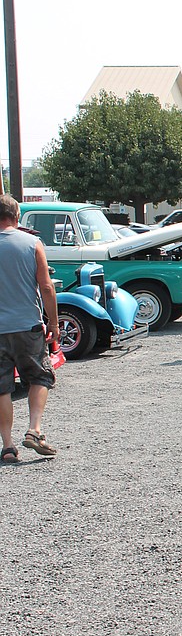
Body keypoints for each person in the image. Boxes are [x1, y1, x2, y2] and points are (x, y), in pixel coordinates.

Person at [0, 194, 59, 462]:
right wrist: (54, 322)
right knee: (39, 376)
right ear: (17, 215)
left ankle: (8, 446)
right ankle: (34, 430)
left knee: (2, 388)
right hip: (27, 325)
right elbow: (46, 287)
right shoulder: (32, 243)